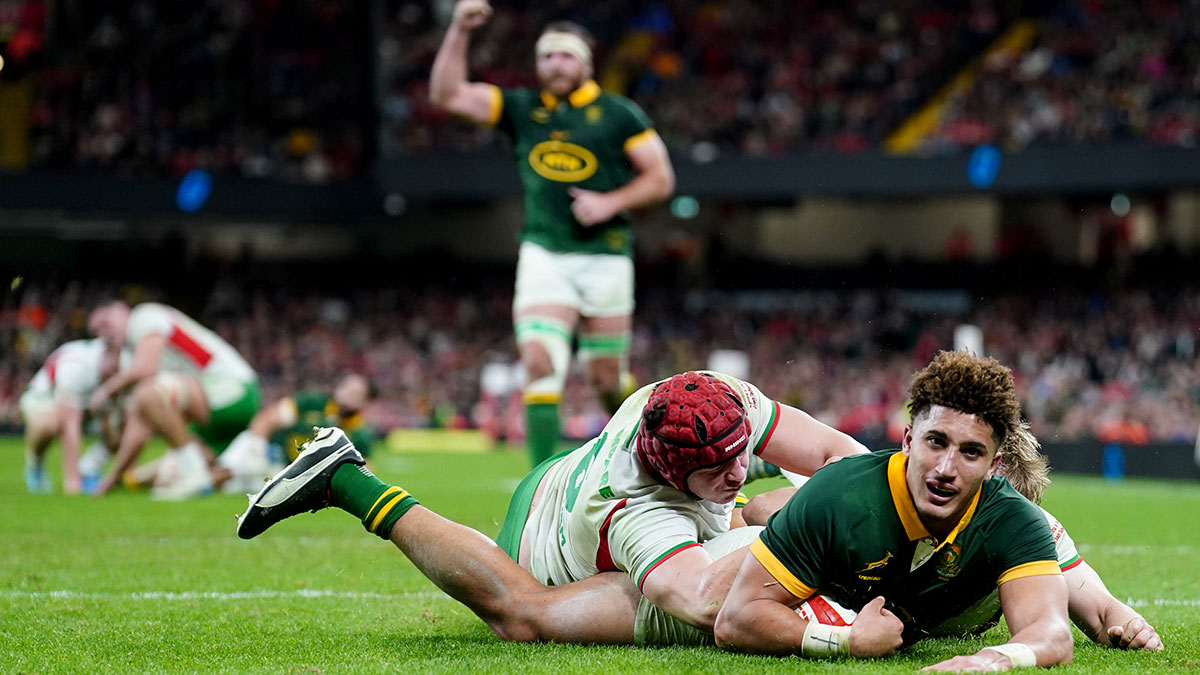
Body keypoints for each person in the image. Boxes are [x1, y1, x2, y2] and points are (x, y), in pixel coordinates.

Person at [237, 370, 868, 644]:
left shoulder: (711, 398)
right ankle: (346, 481)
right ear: (673, 474)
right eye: (721, 467)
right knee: (522, 620)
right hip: (539, 546)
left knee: (744, 513)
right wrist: (831, 632)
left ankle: (741, 513)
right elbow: (707, 603)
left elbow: (839, 454)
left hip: (564, 472)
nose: (740, 468)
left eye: (744, 454)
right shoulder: (633, 513)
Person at [713, 350, 1075, 669]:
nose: (946, 468)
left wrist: (991, 660)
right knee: (756, 513)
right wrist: (845, 641)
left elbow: (1052, 634)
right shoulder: (838, 495)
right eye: (936, 442)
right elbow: (734, 620)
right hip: (753, 559)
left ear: (994, 465)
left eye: (970, 452)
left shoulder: (1014, 519)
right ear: (907, 440)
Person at [429, 0, 676, 467]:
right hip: (545, 252)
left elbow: (661, 179)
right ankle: (539, 481)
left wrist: (610, 202)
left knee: (606, 377)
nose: (554, 64)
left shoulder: (618, 113)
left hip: (605, 255)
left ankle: (649, 449)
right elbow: (447, 96)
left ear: (585, 62)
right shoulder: (523, 108)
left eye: (565, 55)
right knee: (540, 363)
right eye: (546, 56)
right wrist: (459, 28)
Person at [740, 422, 1164, 653]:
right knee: (760, 514)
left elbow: (1100, 608)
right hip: (834, 551)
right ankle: (751, 470)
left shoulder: (1034, 534)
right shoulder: (879, 501)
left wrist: (1129, 626)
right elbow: (764, 515)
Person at [87, 300, 261, 499]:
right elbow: (140, 424)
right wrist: (111, 480)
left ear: (122, 311)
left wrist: (106, 391)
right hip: (219, 405)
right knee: (162, 476)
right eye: (97, 331)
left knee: (147, 394)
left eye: (105, 324)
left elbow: (145, 372)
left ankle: (195, 473)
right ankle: (233, 475)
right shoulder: (136, 349)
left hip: (234, 390)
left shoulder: (144, 317)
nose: (104, 333)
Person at [219, 373, 375, 493]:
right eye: (347, 387)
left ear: (365, 401)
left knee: (235, 486)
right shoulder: (312, 403)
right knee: (245, 446)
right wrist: (258, 451)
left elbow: (364, 474)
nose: (348, 394)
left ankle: (207, 481)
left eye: (356, 393)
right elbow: (266, 420)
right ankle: (207, 479)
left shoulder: (360, 434)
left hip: (289, 477)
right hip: (271, 454)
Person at [19, 338, 120, 494]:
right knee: (48, 425)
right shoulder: (76, 366)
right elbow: (70, 425)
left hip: (88, 401)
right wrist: (72, 482)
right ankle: (35, 464)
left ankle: (89, 468)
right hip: (47, 399)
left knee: (123, 427)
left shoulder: (122, 358)